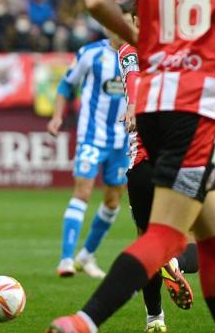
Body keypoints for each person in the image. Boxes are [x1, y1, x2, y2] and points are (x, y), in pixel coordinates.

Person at [49, 0, 215, 332]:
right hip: (194, 107)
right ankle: (84, 321)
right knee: (166, 236)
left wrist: (143, 43)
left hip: (152, 109)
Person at [115, 0, 198, 333]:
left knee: (146, 241)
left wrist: (134, 105)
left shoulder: (128, 49)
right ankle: (174, 262)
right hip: (179, 157)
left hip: (142, 162)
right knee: (195, 242)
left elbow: (134, 77)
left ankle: (155, 320)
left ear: (137, 18)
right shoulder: (178, 50)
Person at [47, 19, 129, 279]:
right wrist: (57, 116)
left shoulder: (139, 55)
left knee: (114, 199)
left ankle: (87, 255)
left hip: (125, 140)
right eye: (115, 23)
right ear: (107, 26)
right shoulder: (90, 53)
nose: (118, 27)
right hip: (92, 137)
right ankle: (66, 259)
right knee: (82, 191)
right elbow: (66, 84)